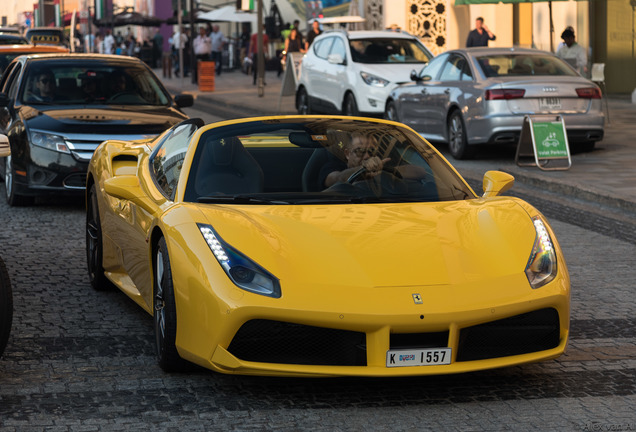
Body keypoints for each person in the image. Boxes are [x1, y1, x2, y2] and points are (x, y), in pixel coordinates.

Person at [319, 134, 391, 188]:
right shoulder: (331, 167)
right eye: (359, 151)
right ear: (347, 154)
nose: (367, 156)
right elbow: (337, 178)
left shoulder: (380, 169)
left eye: (371, 151)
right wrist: (362, 169)